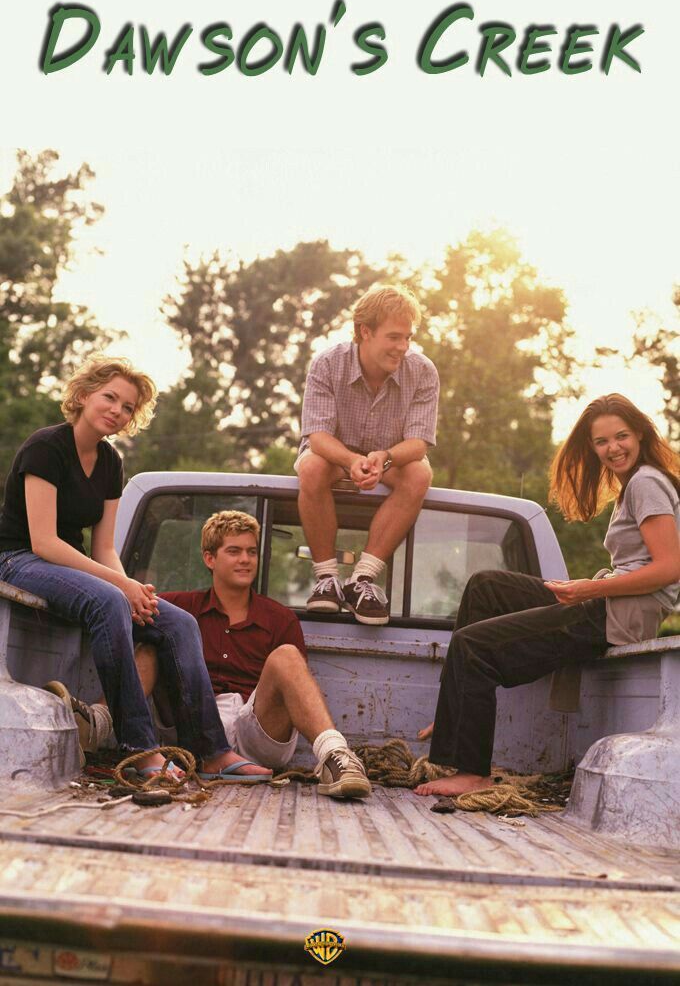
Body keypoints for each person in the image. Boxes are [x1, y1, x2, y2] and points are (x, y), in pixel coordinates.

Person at [0, 355, 270, 783]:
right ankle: (140, 750)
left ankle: (212, 751)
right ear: (84, 395)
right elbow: (44, 541)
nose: (117, 410)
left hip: (72, 566)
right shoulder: (45, 447)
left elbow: (105, 546)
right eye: (110, 397)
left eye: (127, 407)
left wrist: (133, 590)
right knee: (109, 600)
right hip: (19, 560)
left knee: (178, 622)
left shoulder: (110, 462)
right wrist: (120, 586)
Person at [414, 393, 680, 797]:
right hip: (608, 602)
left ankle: (473, 772)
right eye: (602, 442)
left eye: (621, 436)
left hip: (620, 614)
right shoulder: (635, 484)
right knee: (486, 585)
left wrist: (589, 588)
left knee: (473, 647)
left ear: (640, 434)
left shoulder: (646, 482)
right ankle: (458, 712)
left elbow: (669, 568)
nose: (613, 448)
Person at [156, 510, 372, 800]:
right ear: (210, 559)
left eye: (251, 552)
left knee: (286, 656)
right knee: (150, 640)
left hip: (256, 731)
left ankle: (336, 756)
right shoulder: (180, 607)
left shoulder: (280, 619)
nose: (245, 559)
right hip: (191, 730)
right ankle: (101, 725)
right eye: (234, 551)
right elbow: (126, 613)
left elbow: (295, 692)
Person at [297, 284, 439, 625]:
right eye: (394, 337)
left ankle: (362, 579)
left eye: (408, 338)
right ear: (365, 332)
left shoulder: (423, 371)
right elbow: (317, 437)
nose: (403, 347)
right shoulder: (327, 364)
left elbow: (418, 443)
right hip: (334, 457)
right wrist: (350, 461)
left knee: (420, 473)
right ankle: (326, 579)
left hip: (389, 461)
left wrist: (383, 458)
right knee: (312, 467)